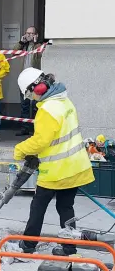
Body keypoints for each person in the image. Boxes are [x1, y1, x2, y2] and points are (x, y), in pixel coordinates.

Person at [14, 68, 95, 256]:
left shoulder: (47, 110)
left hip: (57, 170)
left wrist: (19, 150)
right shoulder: (64, 101)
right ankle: (69, 247)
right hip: (75, 166)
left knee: (38, 206)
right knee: (65, 206)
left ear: (38, 88)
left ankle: (28, 244)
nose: (31, 98)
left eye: (30, 93)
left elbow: (41, 140)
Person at [13, 26, 42, 136]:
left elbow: (40, 55)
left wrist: (35, 43)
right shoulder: (23, 46)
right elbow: (14, 52)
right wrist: (21, 41)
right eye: (27, 33)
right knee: (24, 104)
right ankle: (24, 128)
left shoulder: (39, 46)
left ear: (36, 35)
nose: (28, 35)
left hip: (35, 80)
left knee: (35, 105)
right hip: (24, 79)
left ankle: (36, 129)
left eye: (31, 33)